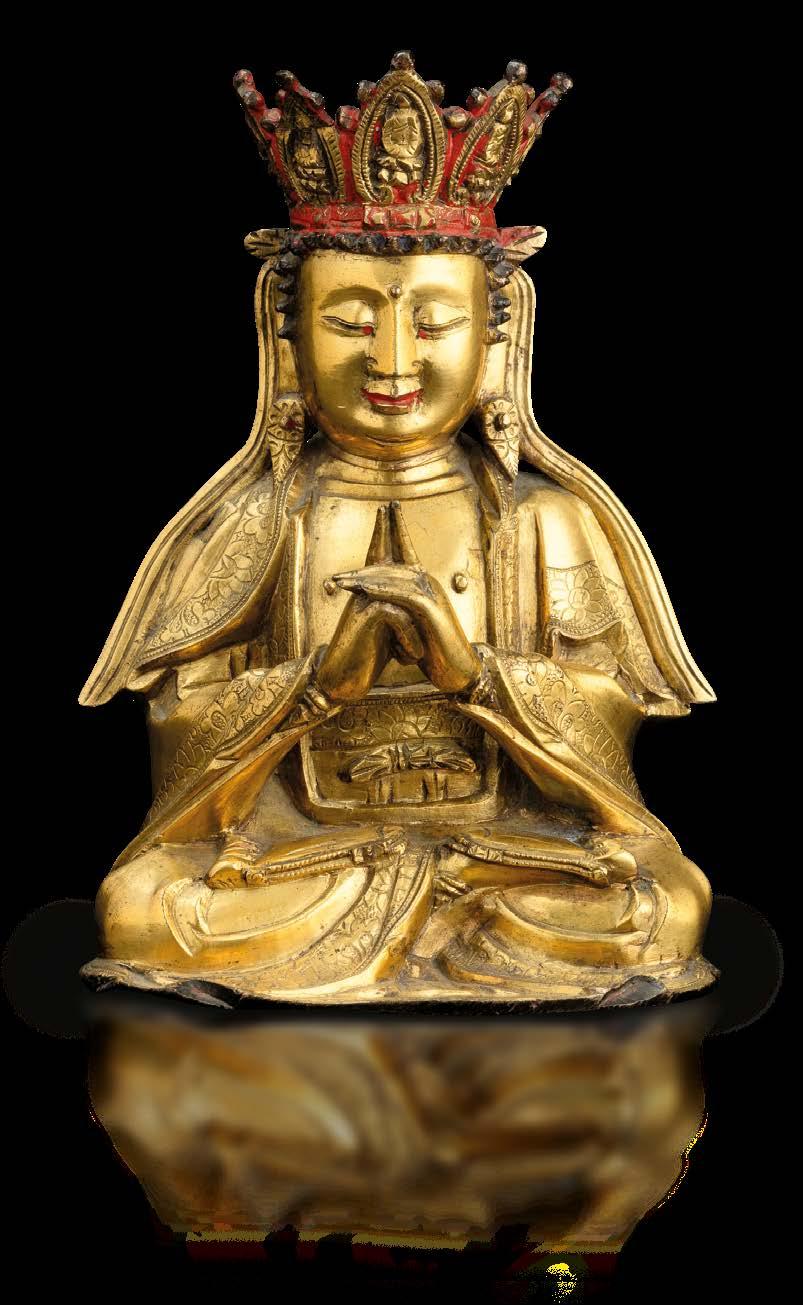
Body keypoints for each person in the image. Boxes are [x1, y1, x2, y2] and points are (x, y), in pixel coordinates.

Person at [80, 55, 716, 1004]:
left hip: (497, 849)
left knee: (663, 903)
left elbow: (610, 754)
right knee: (139, 906)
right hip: (308, 856)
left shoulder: (546, 521)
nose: (389, 359)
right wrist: (315, 686)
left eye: (433, 322)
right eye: (347, 321)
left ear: (496, 340)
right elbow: (178, 746)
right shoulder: (251, 523)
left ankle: (425, 937)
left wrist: (474, 672)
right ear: (287, 342)